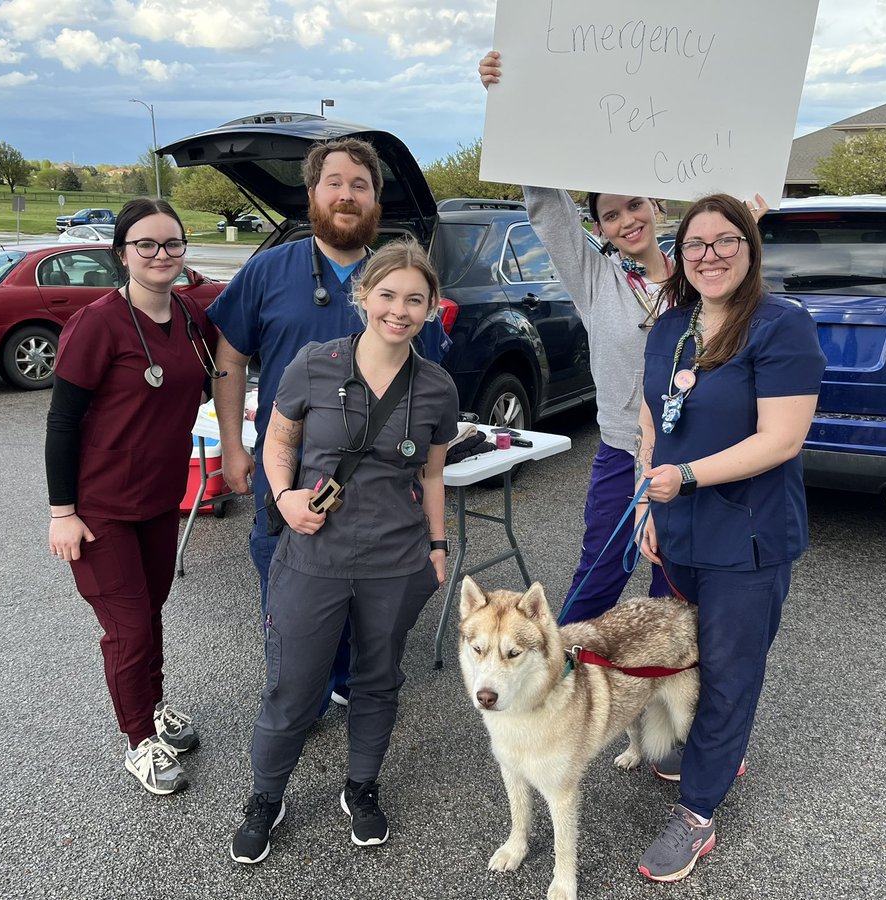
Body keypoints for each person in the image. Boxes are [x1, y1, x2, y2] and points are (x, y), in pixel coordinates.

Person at [478, 51, 766, 623]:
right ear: (600, 227)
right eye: (610, 215)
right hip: (619, 448)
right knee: (600, 569)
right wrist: (508, 100)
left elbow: (738, 268)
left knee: (673, 577)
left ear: (656, 204)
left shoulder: (700, 273)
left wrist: (745, 226)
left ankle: (658, 690)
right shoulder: (594, 279)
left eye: (634, 204)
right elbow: (546, 205)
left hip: (688, 452)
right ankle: (563, 685)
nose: (626, 220)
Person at [229, 239, 458, 864]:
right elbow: (279, 440)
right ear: (363, 296)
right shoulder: (313, 363)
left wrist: (438, 546)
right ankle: (266, 797)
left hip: (397, 561)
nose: (400, 310)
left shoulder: (436, 388)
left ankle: (360, 786)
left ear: (432, 307)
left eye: (416, 299)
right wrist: (283, 496)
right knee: (293, 686)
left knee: (378, 680)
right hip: (314, 556)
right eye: (388, 295)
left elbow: (433, 476)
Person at [208, 137, 450, 713]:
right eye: (334, 182)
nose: (346, 195)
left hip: (378, 492)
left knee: (366, 598)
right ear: (312, 193)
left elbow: (430, 378)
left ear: (375, 200)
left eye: (360, 185)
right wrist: (231, 445)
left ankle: (345, 681)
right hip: (287, 477)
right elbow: (230, 357)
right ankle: (299, 696)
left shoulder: (400, 279)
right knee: (288, 593)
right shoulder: (268, 270)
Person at [632, 194, 826, 881]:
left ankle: (697, 814)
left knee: (729, 672)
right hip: (676, 528)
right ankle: (719, 747)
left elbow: (782, 439)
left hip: (748, 535)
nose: (709, 255)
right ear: (680, 256)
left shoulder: (780, 327)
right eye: (695, 245)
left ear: (749, 248)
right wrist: (646, 509)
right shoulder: (670, 328)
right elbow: (653, 424)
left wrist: (683, 478)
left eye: (724, 242)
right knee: (686, 658)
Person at [45, 199, 219, 795]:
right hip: (100, 510)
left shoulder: (193, 317)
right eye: (145, 245)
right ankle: (139, 740)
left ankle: (153, 705)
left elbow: (234, 352)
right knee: (128, 629)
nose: (161, 255)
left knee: (150, 613)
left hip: (158, 501)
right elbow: (62, 422)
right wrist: (62, 513)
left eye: (172, 243)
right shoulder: (97, 323)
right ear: (123, 254)